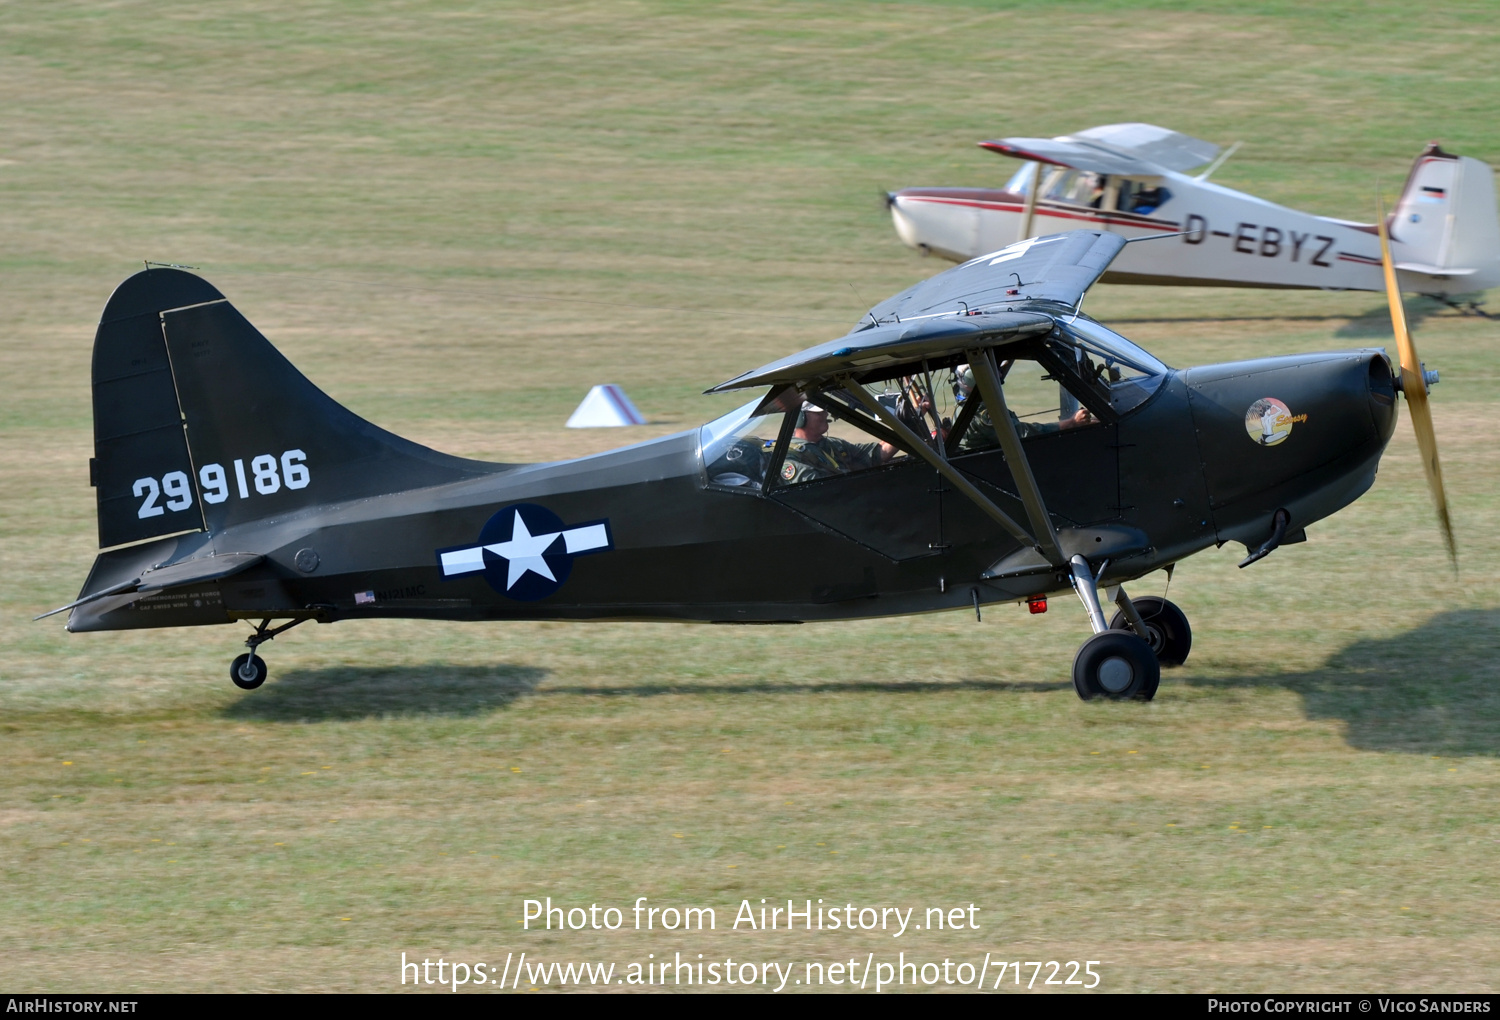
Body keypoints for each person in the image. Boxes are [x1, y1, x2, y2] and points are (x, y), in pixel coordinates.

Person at [952, 364, 1095, 453]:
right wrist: (1070, 424)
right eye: (991, 371)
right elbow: (1020, 434)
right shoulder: (982, 414)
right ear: (978, 379)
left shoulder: (968, 401)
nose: (1000, 374)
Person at [780, 402, 897, 484]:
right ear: (800, 418)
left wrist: (905, 427)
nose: (826, 414)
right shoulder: (790, 456)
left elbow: (876, 454)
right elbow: (818, 491)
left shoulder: (834, 445)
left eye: (824, 410)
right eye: (819, 412)